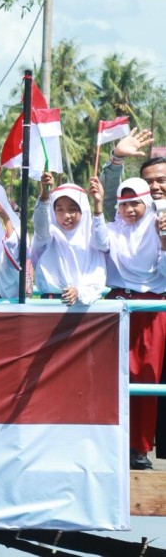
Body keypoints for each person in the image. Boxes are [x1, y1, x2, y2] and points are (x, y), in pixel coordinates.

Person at [90, 176, 166, 470]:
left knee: (146, 378)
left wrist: (163, 241)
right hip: (117, 306)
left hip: (152, 307)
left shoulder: (158, 229)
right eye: (124, 204)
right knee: (112, 378)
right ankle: (111, 444)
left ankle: (139, 448)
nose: (130, 209)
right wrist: (98, 208)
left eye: (136, 203)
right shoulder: (112, 229)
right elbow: (100, 241)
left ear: (148, 202)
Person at [30, 173, 105, 306]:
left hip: (82, 308)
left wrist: (79, 292)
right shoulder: (49, 236)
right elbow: (40, 225)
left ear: (83, 210)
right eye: (59, 210)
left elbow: (97, 278)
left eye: (73, 210)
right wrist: (44, 196)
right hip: (49, 305)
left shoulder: (91, 240)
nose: (66, 216)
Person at [99, 127, 155, 219]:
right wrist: (117, 157)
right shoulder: (124, 221)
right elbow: (109, 199)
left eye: (162, 180)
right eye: (148, 182)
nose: (155, 186)